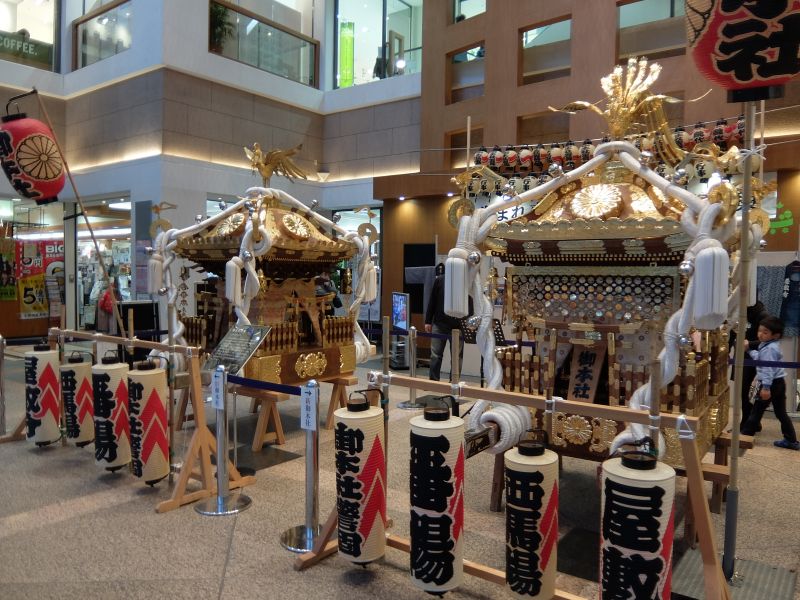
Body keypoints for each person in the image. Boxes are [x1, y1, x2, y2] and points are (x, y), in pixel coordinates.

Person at [740, 316, 799, 450]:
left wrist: (766, 388)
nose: (760, 334)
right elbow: (760, 358)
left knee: (756, 411)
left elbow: (767, 369)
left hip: (771, 384)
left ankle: (744, 437)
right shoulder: (768, 345)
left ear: (775, 335)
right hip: (778, 383)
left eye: (765, 332)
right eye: (759, 330)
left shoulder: (769, 349)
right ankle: (791, 440)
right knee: (781, 413)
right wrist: (749, 350)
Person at [424, 263, 468, 381]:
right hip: (439, 324)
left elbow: (470, 301)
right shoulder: (440, 280)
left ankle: (454, 382)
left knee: (457, 357)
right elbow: (432, 300)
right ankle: (434, 382)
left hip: (458, 326)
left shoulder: (465, 281)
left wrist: (468, 322)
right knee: (435, 355)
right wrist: (428, 321)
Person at [729, 300, 768, 428]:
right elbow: (731, 333)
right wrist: (726, 352)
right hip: (741, 356)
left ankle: (752, 421)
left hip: (757, 357)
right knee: (743, 390)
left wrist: (750, 344)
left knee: (754, 391)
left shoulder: (762, 314)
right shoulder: (737, 312)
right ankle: (748, 420)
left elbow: (768, 340)